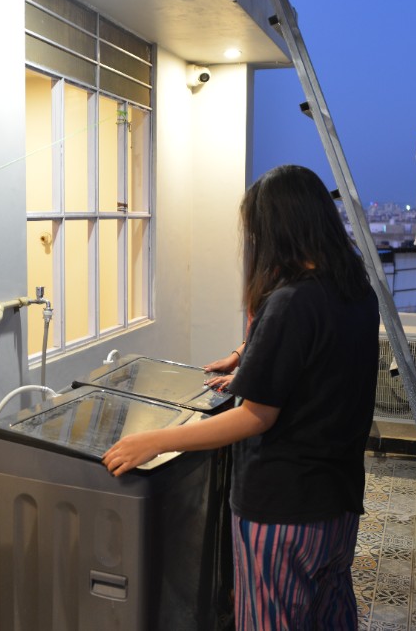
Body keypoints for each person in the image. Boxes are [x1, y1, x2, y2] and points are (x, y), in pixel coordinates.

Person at [103, 164, 379, 630]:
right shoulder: (355, 291)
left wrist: (155, 441)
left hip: (283, 510)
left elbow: (255, 417)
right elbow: (315, 366)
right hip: (338, 501)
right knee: (330, 617)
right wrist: (246, 355)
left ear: (277, 229)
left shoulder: (291, 302)